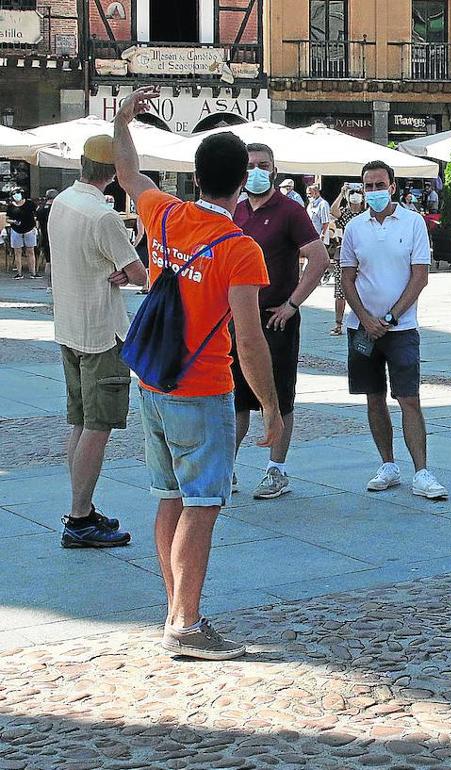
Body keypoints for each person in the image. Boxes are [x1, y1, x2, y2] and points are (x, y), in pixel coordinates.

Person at [114, 86, 280, 660]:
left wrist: (122, 120)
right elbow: (250, 338)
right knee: (202, 504)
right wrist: (273, 408)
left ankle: (176, 608)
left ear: (197, 174)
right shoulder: (240, 248)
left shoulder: (164, 215)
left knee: (168, 497)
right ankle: (184, 624)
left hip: (153, 383)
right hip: (203, 389)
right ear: (243, 183)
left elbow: (129, 172)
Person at [48, 136, 147, 549]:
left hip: (69, 326)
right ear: (114, 173)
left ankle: (82, 509)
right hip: (102, 333)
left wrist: (118, 271)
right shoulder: (103, 217)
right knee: (97, 427)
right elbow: (140, 273)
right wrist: (127, 271)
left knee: (79, 423)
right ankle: (79, 517)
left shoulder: (63, 202)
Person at [340, 160, 448, 500]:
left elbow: (420, 276)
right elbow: (346, 277)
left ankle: (422, 471)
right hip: (362, 328)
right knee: (373, 398)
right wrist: (365, 318)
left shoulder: (414, 222)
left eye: (378, 184)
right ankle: (387, 464)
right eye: (367, 186)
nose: (373, 191)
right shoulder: (355, 227)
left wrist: (389, 317)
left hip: (401, 328)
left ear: (392, 186)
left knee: (408, 397)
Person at [231, 144, 329, 500]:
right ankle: (229, 468)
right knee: (238, 398)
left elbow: (319, 257)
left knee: (278, 395)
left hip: (275, 318)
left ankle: (276, 470)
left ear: (274, 169)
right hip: (238, 318)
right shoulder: (236, 210)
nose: (257, 170)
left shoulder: (289, 210)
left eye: (263, 165)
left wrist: (292, 303)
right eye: (251, 165)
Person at [328, 185, 366, 336]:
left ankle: (363, 320)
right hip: (344, 255)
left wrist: (365, 193)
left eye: (358, 193)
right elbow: (333, 211)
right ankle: (338, 324)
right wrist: (342, 193)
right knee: (340, 291)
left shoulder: (366, 213)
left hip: (363, 256)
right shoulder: (345, 213)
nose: (355, 195)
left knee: (364, 290)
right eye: (353, 193)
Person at [6, 188, 37, 279]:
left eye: (18, 193)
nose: (16, 196)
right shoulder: (10, 207)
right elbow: (7, 219)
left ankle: (33, 272)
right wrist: (13, 221)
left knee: (30, 251)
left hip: (30, 230)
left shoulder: (30, 204)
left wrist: (36, 227)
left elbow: (35, 215)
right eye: (14, 194)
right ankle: (19, 273)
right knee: (17, 251)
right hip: (16, 230)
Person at [35, 188, 56, 273]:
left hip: (45, 236)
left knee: (48, 261)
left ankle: (48, 281)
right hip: (56, 237)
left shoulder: (41, 208)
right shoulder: (56, 208)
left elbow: (37, 224)